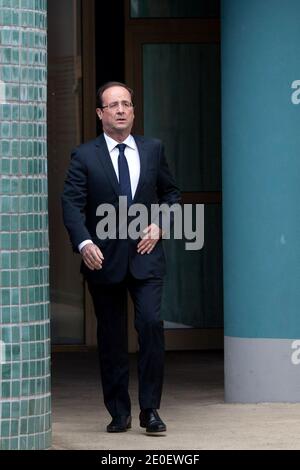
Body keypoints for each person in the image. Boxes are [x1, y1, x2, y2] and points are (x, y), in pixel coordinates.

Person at [61, 81, 181, 434]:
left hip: (147, 257)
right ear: (100, 113)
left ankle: (150, 410)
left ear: (133, 110)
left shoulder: (153, 149)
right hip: (103, 260)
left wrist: (160, 224)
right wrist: (84, 244)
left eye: (126, 103)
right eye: (113, 105)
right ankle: (119, 411)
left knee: (150, 325)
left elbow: (171, 193)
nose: (121, 110)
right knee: (112, 338)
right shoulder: (84, 156)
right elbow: (71, 204)